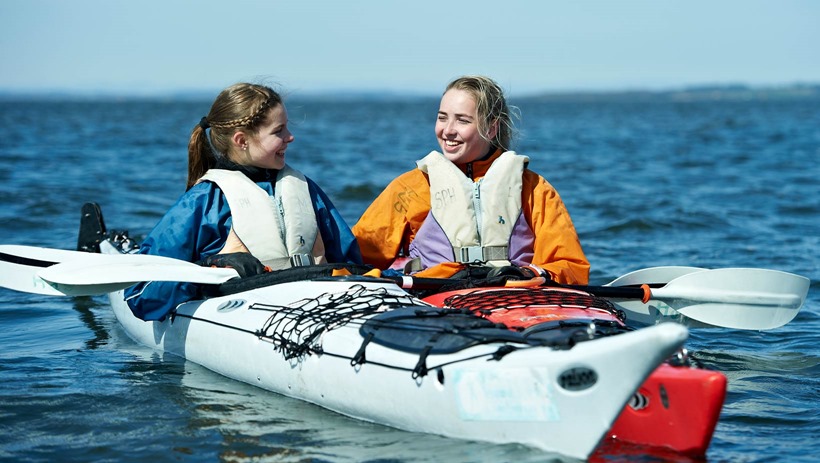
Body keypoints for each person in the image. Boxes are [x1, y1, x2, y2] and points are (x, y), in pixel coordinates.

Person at [124, 82, 361, 321]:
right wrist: (208, 267)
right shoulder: (204, 201)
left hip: (317, 306)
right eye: (279, 130)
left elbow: (352, 262)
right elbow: (141, 296)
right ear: (241, 140)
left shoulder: (307, 190)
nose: (291, 137)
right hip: (245, 315)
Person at [352, 75, 589, 285]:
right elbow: (357, 257)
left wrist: (530, 274)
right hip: (435, 295)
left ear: (491, 127)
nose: (448, 130)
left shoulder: (534, 189)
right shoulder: (410, 188)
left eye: (462, 121)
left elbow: (569, 264)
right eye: (442, 118)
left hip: (513, 297)